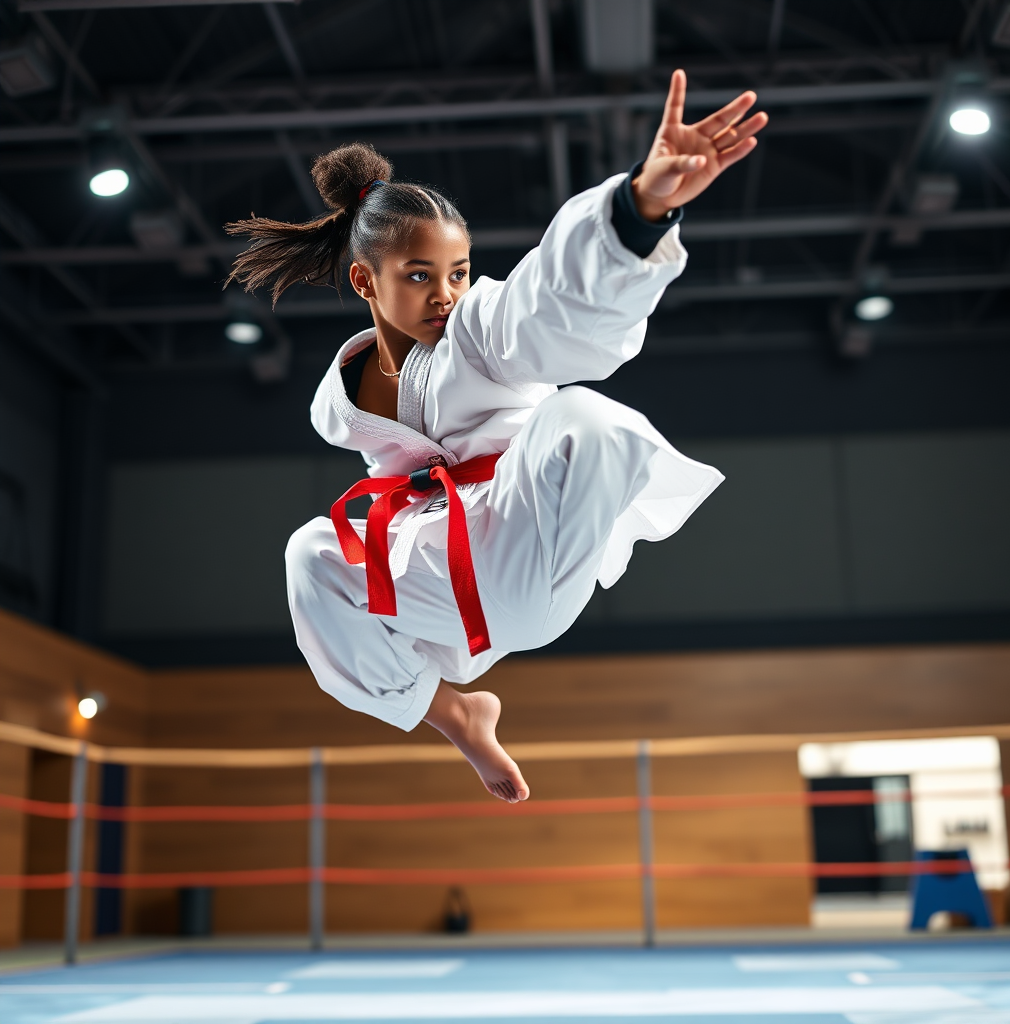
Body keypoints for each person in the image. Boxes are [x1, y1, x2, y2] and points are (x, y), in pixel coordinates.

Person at [226, 70, 767, 805]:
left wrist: (639, 212)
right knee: (311, 552)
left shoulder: (481, 330)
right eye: (419, 276)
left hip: (525, 535)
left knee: (585, 418)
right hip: (436, 582)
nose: (445, 294)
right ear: (365, 283)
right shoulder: (343, 398)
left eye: (459, 271)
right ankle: (458, 717)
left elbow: (544, 307)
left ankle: (472, 675)